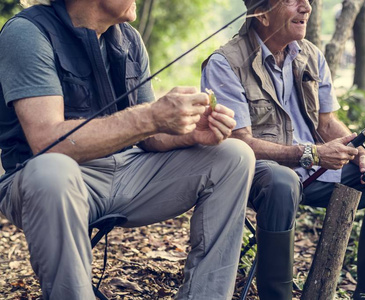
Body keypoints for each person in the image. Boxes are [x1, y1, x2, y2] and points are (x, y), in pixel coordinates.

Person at [0, 0, 256, 299]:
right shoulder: (28, 33)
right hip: (52, 183)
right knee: (52, 169)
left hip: (127, 172)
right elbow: (47, 143)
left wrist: (190, 134)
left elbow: (149, 138)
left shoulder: (128, 38)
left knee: (234, 156)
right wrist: (150, 116)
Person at [201, 0, 365, 299]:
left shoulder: (310, 54)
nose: (307, 7)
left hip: (317, 171)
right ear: (262, 14)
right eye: (293, 1)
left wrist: (357, 149)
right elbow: (241, 143)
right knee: (283, 181)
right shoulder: (225, 62)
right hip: (260, 174)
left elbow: (327, 121)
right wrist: (313, 154)